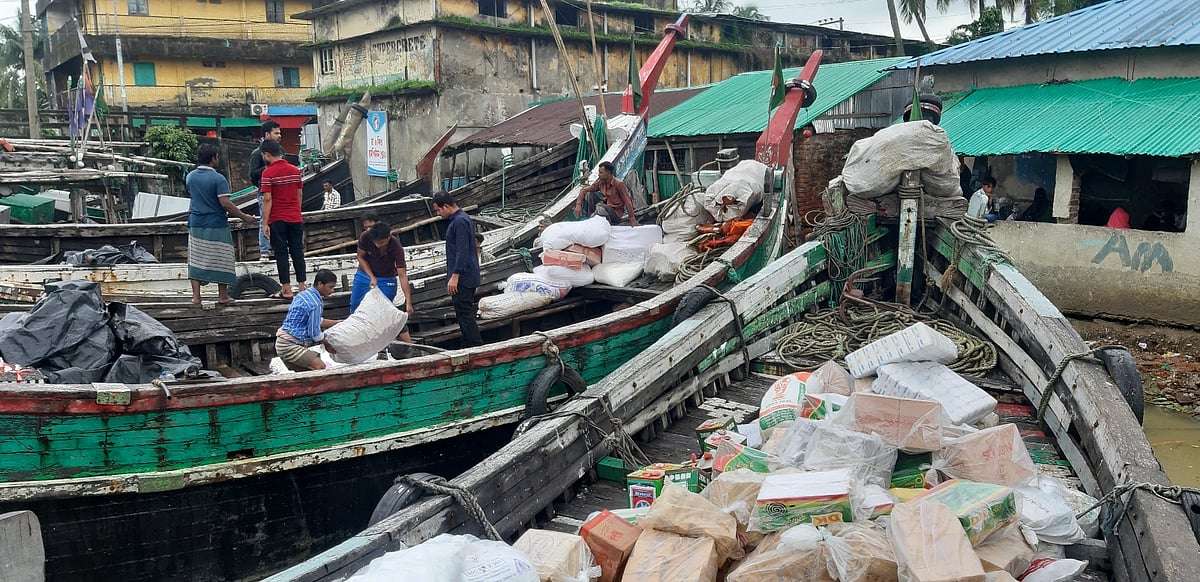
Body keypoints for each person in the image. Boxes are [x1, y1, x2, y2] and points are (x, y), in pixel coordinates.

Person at [186, 143, 258, 305]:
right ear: (213, 159)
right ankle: (222, 296)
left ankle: (196, 297)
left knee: (196, 259)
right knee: (222, 258)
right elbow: (225, 203)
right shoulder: (218, 179)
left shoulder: (190, 176)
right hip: (216, 223)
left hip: (196, 222)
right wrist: (244, 217)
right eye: (217, 156)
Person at [433, 191, 483, 347]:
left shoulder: (459, 222)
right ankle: (468, 343)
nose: (438, 213)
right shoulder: (462, 219)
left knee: (465, 313)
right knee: (463, 313)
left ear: (446, 206)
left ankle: (475, 345)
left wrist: (455, 276)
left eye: (438, 210)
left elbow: (462, 252)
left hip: (464, 277)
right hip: (466, 274)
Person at [351, 221, 415, 343]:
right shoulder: (365, 236)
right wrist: (371, 276)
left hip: (387, 278)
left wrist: (408, 301)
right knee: (355, 306)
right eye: (375, 242)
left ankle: (385, 346)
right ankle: (357, 341)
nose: (377, 245)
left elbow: (402, 275)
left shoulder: (396, 246)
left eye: (381, 242)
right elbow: (360, 257)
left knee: (382, 313)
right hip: (364, 274)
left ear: (389, 237)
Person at [260, 139, 307, 300]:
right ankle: (302, 286)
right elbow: (299, 194)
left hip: (277, 219)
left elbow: (267, 199)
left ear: (267, 155)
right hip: (295, 217)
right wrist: (296, 211)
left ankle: (286, 289)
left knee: (281, 253)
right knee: (297, 252)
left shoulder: (268, 173)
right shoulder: (295, 170)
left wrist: (265, 223)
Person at [274, 269, 342, 371]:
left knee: (307, 372)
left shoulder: (304, 294)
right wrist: (327, 344)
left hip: (283, 342)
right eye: (330, 287)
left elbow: (317, 321)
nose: (332, 290)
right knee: (319, 366)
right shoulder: (315, 304)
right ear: (320, 284)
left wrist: (337, 323)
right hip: (289, 345)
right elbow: (314, 333)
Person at [249, 120, 281, 262]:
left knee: (280, 220)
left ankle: (281, 249)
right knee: (265, 220)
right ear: (267, 134)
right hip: (265, 191)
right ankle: (264, 251)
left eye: (280, 133)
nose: (279, 136)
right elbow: (252, 175)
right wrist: (267, 170)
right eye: (276, 133)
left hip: (279, 190)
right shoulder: (257, 153)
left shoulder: (281, 150)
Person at [574, 161, 640, 226]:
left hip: (615, 213)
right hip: (606, 208)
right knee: (589, 194)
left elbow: (627, 201)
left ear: (608, 173)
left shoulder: (619, 184)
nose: (598, 175)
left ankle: (593, 220)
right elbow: (584, 190)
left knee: (600, 208)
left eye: (601, 173)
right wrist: (578, 205)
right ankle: (590, 217)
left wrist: (632, 219)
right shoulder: (600, 183)